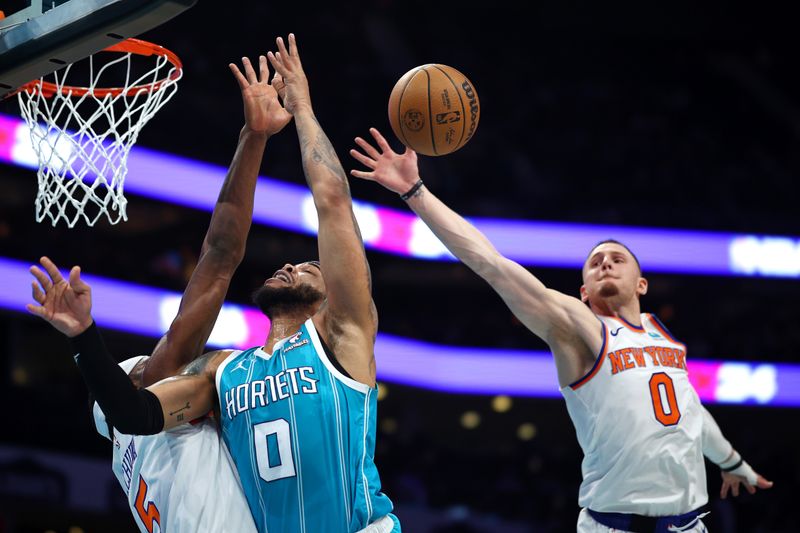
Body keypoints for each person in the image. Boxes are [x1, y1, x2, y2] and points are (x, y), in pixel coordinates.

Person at [29, 34, 399, 533]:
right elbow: (135, 413)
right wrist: (83, 337)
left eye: (312, 266)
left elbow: (331, 198)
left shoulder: (342, 338)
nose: (293, 264)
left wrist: (301, 108)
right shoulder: (221, 373)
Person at [348, 128, 773, 532]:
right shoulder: (581, 326)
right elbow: (491, 265)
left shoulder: (663, 337)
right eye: (595, 261)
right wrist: (414, 192)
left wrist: (732, 462)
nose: (605, 261)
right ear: (584, 291)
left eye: (617, 259)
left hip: (689, 522)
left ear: (642, 284)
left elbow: (692, 411)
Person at [28, 53, 292, 532]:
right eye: (148, 370)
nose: (160, 362)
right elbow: (219, 256)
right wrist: (252, 138)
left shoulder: (125, 457)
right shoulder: (155, 396)